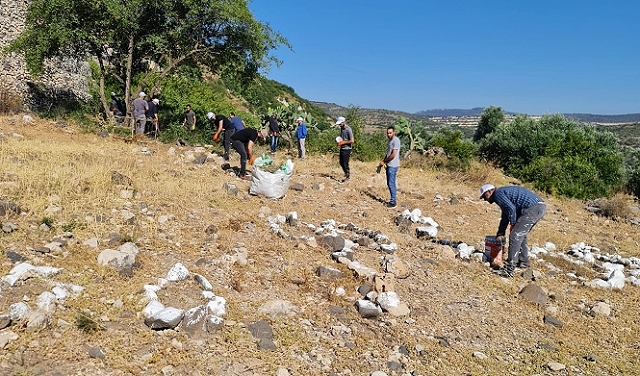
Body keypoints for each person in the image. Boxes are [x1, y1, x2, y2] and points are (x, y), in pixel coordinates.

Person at [479, 184, 546, 278]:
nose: (484, 199)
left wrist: (513, 224)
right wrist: (500, 232)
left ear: (489, 192)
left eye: (484, 196)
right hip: (537, 207)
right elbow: (506, 215)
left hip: (533, 208)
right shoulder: (501, 194)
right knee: (520, 234)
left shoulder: (498, 194)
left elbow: (511, 209)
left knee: (515, 236)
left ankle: (508, 270)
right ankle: (523, 262)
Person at [379, 126, 400, 208]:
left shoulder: (396, 141)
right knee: (390, 183)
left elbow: (393, 155)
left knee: (391, 183)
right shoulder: (390, 141)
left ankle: (393, 202)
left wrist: (384, 161)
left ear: (394, 132)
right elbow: (388, 153)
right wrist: (383, 161)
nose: (389, 134)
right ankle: (393, 200)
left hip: (393, 165)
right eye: (387, 133)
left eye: (390, 133)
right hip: (389, 165)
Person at [335, 116, 354, 181]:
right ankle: (346, 173)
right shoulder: (342, 128)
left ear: (343, 122)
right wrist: (339, 141)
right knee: (341, 162)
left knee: (345, 163)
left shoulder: (348, 129)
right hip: (342, 148)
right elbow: (342, 136)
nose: (339, 125)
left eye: (340, 123)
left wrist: (343, 142)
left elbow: (352, 140)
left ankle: (347, 176)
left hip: (347, 148)